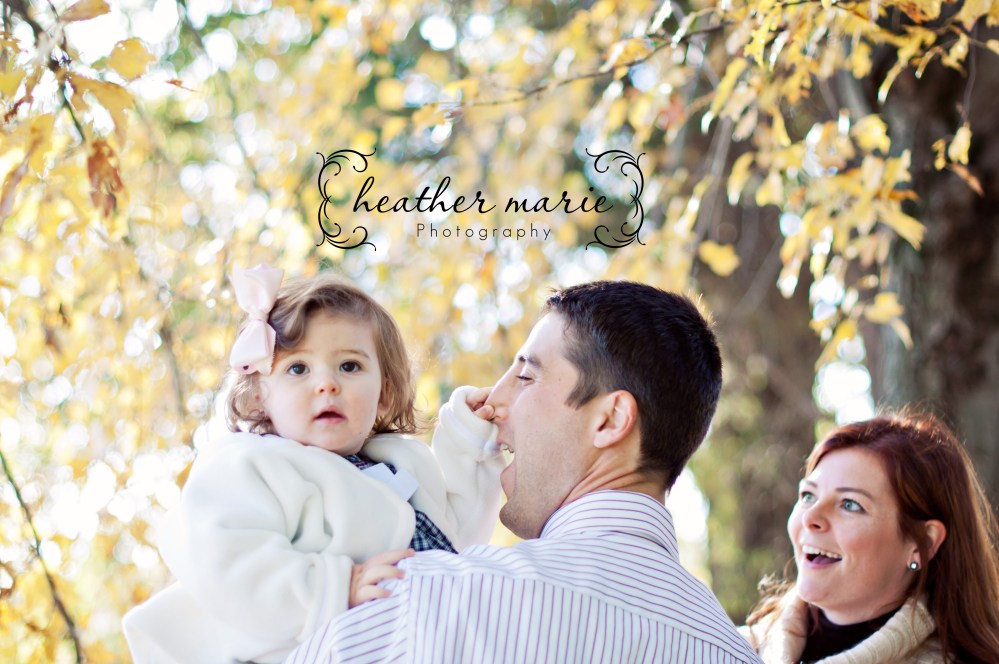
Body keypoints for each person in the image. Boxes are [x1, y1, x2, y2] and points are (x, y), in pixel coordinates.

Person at [287, 280, 763, 664]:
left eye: (526, 377)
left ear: (610, 420)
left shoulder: (428, 602)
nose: (492, 401)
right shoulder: (734, 652)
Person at [122, 265, 505, 663]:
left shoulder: (403, 465)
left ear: (384, 395)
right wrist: (333, 587)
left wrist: (471, 438)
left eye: (349, 366)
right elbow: (226, 557)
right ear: (258, 396)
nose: (327, 383)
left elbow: (458, 539)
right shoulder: (252, 464)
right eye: (298, 368)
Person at [742, 412, 999, 663]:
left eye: (850, 504)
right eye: (808, 496)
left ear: (923, 543)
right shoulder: (735, 647)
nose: (811, 517)